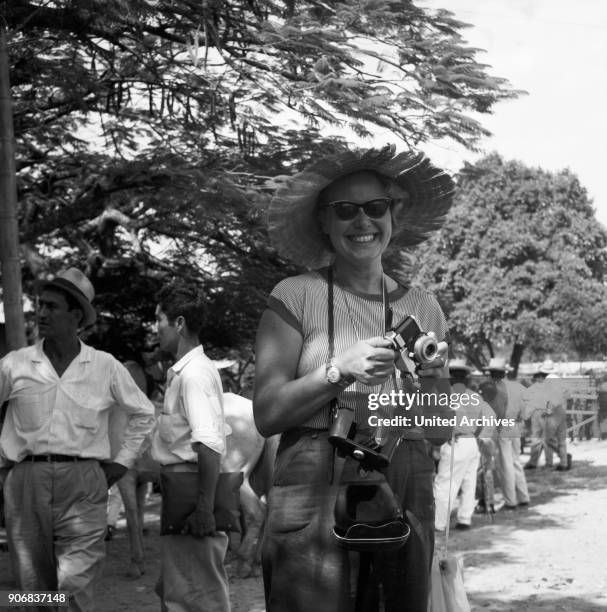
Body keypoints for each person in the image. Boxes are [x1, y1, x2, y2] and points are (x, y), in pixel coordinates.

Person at [254, 145, 455, 612]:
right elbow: (266, 416)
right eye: (345, 210)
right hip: (313, 474)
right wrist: (338, 371)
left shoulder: (424, 306)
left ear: (393, 216)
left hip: (404, 469)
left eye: (375, 208)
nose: (362, 222)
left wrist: (434, 378)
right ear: (324, 221)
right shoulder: (295, 295)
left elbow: (440, 429)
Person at [0, 268, 155, 612]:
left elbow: (144, 414)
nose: (41, 314)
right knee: (33, 588)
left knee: (75, 586)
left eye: (52, 307)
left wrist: (121, 462)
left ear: (76, 316)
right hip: (26, 482)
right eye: (40, 305)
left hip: (84, 482)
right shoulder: (14, 365)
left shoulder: (104, 366)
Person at [151, 285, 231, 612]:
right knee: (177, 591)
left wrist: (203, 509)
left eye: (160, 320)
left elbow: (209, 447)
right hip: (180, 493)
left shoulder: (193, 375)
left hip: (190, 495)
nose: (156, 327)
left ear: (179, 323)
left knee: (196, 598)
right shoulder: (185, 373)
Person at [433, 359, 496, 531]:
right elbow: (489, 418)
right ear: (466, 378)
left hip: (455, 442)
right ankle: (464, 519)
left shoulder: (445, 396)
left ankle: (439, 523)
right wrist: (483, 436)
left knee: (445, 483)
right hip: (471, 442)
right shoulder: (475, 396)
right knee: (469, 482)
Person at [484, 357, 530, 510]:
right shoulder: (517, 387)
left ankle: (511, 500)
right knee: (516, 461)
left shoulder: (492, 388)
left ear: (491, 373)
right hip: (515, 426)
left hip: (501, 427)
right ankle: (523, 496)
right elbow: (525, 411)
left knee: (505, 464)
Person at [525, 360, 571, 471]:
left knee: (547, 440)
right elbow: (568, 394)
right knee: (560, 439)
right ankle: (564, 462)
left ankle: (562, 458)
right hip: (560, 411)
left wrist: (549, 409)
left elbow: (552, 398)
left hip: (552, 412)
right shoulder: (558, 381)